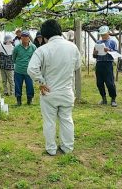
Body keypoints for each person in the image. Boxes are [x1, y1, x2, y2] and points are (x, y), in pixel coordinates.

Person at [28, 19, 81, 156]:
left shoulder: (42, 49)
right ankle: (67, 148)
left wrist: (41, 81)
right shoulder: (72, 47)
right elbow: (77, 66)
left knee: (49, 121)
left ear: (45, 36)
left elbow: (31, 69)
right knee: (67, 119)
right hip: (67, 90)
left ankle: (51, 149)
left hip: (49, 92)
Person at [93, 25, 118, 107]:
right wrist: (95, 53)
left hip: (108, 63)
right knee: (99, 83)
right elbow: (94, 56)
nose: (103, 36)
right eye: (102, 34)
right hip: (99, 63)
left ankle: (113, 98)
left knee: (110, 83)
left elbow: (116, 54)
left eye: (104, 34)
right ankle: (103, 98)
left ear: (108, 33)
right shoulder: (98, 42)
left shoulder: (112, 42)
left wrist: (109, 50)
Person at [12, 30, 37, 106]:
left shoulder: (33, 47)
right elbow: (14, 58)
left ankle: (29, 100)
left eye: (26, 37)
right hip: (18, 70)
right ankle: (18, 100)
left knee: (30, 86)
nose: (25, 38)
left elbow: (35, 58)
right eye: (23, 37)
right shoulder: (17, 48)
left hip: (29, 71)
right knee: (18, 86)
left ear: (29, 38)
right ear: (21, 38)